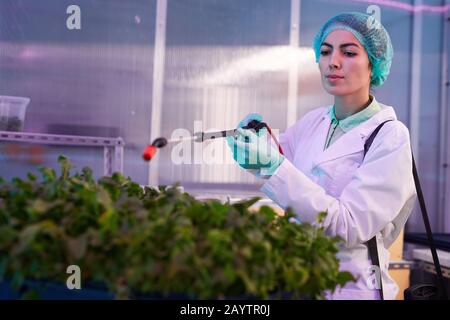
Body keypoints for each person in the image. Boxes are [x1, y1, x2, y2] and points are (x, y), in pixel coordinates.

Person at [227, 12, 417, 300]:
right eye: (326, 51)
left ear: (373, 63)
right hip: (300, 280)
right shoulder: (314, 122)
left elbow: (349, 225)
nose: (333, 62)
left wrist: (272, 166)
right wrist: (252, 148)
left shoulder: (390, 137)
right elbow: (278, 162)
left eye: (349, 52)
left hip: (351, 289)